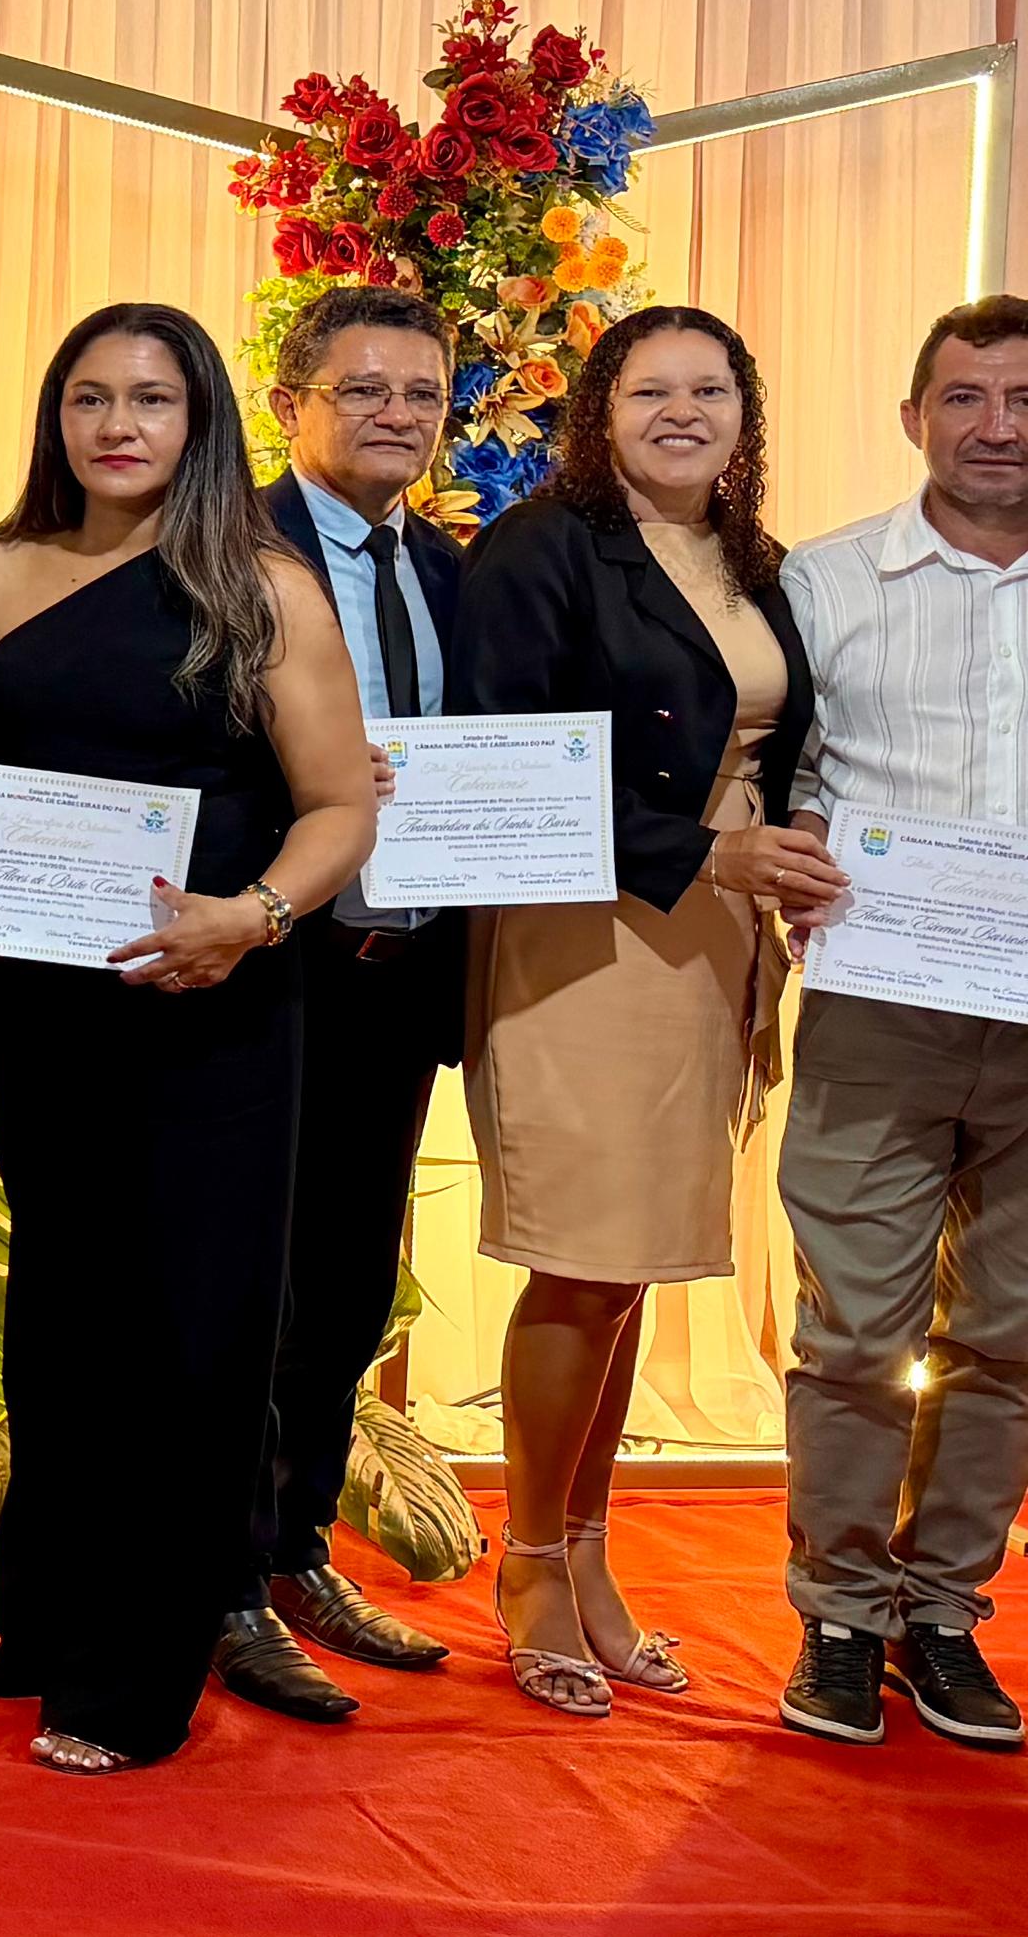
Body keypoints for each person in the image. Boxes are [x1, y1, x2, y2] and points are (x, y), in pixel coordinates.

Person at [0, 302, 377, 1773]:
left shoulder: (265, 590)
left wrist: (244, 919)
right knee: (65, 1316)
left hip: (217, 1010)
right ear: (53, 416)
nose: (118, 425)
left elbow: (339, 809)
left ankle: (140, 1672)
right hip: (51, 996)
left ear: (201, 425)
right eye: (88, 397)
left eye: (154, 400)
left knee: (189, 1332)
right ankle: (52, 1619)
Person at [451, 305, 824, 1722]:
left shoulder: (752, 563)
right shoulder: (542, 548)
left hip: (715, 942)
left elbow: (776, 749)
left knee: (630, 1271)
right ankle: (531, 1567)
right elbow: (497, 767)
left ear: (746, 412)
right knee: (582, 1257)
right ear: (599, 410)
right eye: (649, 388)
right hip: (584, 929)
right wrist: (703, 853)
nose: (682, 411)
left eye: (710, 388)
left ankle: (588, 1555)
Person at [766, 296, 1028, 1751]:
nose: (999, 425)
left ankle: (946, 1611)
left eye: (1025, 399)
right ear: (913, 413)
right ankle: (840, 1614)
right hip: (883, 999)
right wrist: (789, 842)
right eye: (967, 395)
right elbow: (773, 769)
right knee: (858, 1331)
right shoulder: (824, 580)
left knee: (1012, 1335)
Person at [227, 285, 470, 1719]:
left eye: (421, 397)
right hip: (264, 965)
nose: (396, 416)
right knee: (244, 1287)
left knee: (345, 1288)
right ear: (291, 404)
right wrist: (309, 788)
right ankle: (222, 1580)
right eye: (363, 389)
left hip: (395, 973)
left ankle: (301, 1543)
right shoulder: (224, 550)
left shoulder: (446, 568)